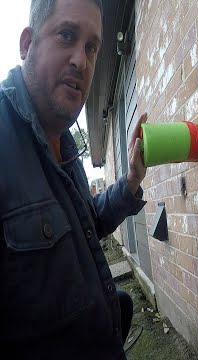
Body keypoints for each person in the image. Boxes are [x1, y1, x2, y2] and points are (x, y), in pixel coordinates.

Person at [0, 0, 148, 358]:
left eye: (92, 47)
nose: (81, 61)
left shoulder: (64, 143)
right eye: (66, 35)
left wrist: (130, 182)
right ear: (26, 43)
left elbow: (87, 221)